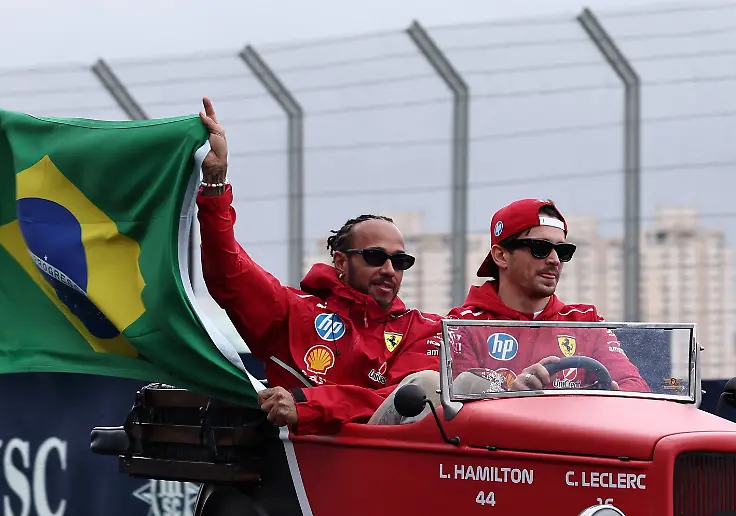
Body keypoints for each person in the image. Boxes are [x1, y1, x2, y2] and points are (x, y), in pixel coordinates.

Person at [195, 97, 443, 434]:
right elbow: (227, 270)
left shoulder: (422, 329)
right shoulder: (293, 311)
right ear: (341, 261)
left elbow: (402, 399)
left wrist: (308, 404)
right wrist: (215, 183)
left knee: (432, 385)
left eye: (400, 261)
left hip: (390, 464)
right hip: (305, 471)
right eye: (374, 257)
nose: (389, 269)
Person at [447, 197, 648, 393]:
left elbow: (636, 386)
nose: (554, 260)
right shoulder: (463, 325)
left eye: (563, 251)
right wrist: (509, 393)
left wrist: (607, 396)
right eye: (540, 248)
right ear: (501, 256)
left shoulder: (586, 321)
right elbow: (460, 410)